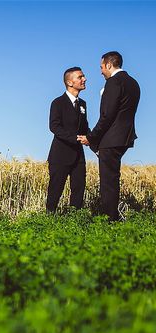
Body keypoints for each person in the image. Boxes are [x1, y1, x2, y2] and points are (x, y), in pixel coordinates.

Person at [79, 51, 140, 221]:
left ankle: (109, 220)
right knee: (113, 178)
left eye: (101, 67)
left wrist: (91, 138)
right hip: (125, 137)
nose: (100, 71)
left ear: (108, 65)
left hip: (111, 139)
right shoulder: (133, 83)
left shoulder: (113, 83)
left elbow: (107, 115)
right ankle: (114, 217)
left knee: (108, 181)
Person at [46, 67, 89, 213]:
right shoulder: (57, 103)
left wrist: (93, 140)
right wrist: (75, 138)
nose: (84, 79)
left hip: (79, 156)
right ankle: (48, 219)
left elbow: (85, 127)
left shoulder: (83, 104)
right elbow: (54, 127)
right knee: (55, 190)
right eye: (80, 77)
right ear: (70, 82)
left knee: (79, 189)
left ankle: (74, 221)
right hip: (60, 155)